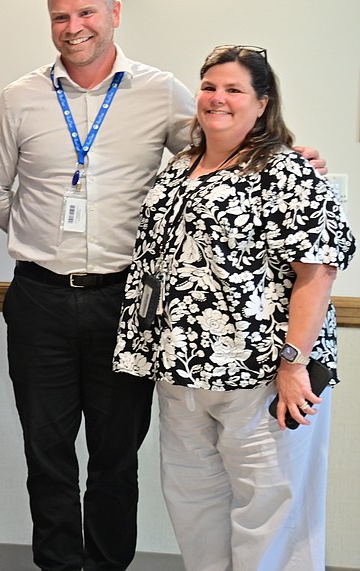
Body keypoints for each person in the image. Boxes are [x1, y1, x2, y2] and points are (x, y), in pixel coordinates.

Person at [0, 0, 326, 571]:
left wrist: (285, 152)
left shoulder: (161, 90)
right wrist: (44, 239)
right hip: (40, 298)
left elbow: (220, 140)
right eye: (61, 15)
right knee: (45, 450)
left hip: (126, 305)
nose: (74, 26)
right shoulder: (18, 99)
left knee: (116, 455)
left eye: (87, 12)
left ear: (114, 14)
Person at [113, 45, 354, 570]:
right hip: (182, 374)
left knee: (272, 511)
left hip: (264, 378)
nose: (217, 98)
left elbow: (317, 272)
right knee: (194, 507)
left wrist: (293, 365)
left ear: (263, 103)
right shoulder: (178, 169)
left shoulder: (287, 170)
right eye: (209, 87)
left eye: (234, 89)